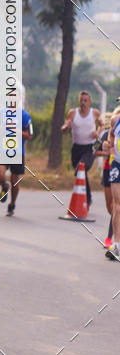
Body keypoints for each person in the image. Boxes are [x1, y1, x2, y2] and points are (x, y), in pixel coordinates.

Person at [61, 90, 102, 210]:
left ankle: (87, 200)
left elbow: (102, 125)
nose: (83, 103)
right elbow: (64, 129)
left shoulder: (95, 113)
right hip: (76, 148)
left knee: (81, 168)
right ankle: (87, 198)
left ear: (90, 102)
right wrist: (66, 127)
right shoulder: (73, 113)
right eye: (81, 100)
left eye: (85, 100)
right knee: (80, 173)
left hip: (90, 147)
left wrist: (98, 132)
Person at [0, 107, 33, 216]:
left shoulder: (25, 115)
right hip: (3, 150)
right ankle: (4, 186)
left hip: (18, 152)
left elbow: (29, 135)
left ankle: (12, 204)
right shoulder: (1, 112)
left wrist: (15, 130)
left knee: (14, 180)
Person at [105, 104, 120, 261]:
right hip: (117, 165)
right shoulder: (115, 120)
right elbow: (110, 140)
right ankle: (116, 245)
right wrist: (107, 145)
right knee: (117, 205)